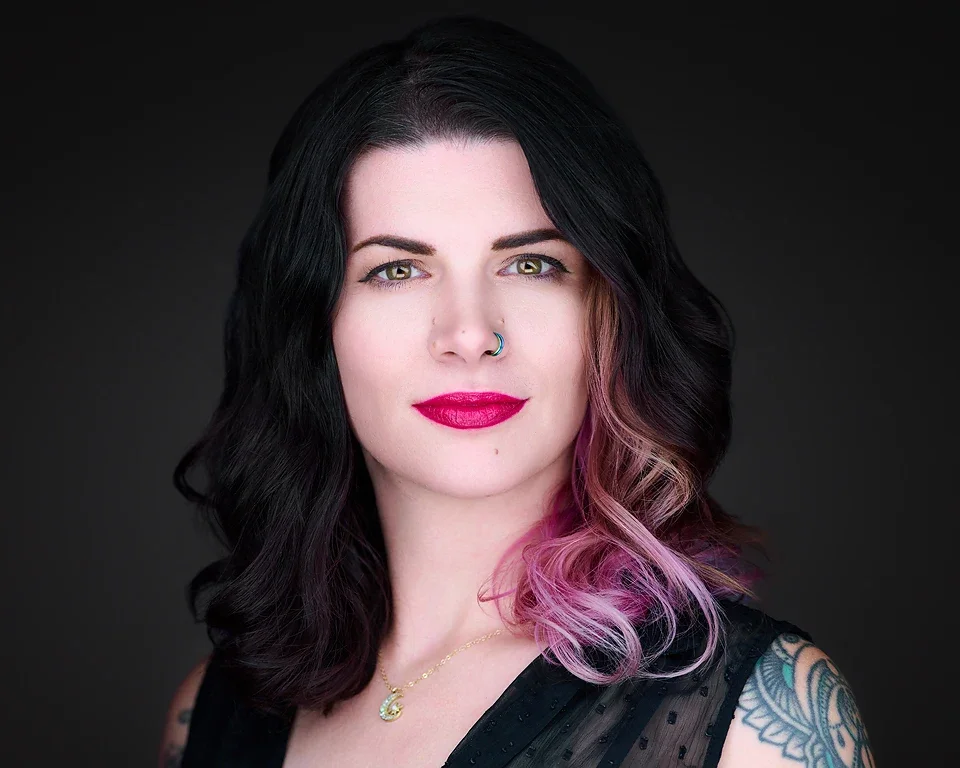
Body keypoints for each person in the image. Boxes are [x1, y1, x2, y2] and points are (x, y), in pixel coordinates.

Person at [159, 15, 875, 768]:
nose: (470, 333)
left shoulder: (759, 722)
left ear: (611, 311)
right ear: (315, 328)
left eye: (532, 265)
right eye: (396, 270)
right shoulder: (211, 710)